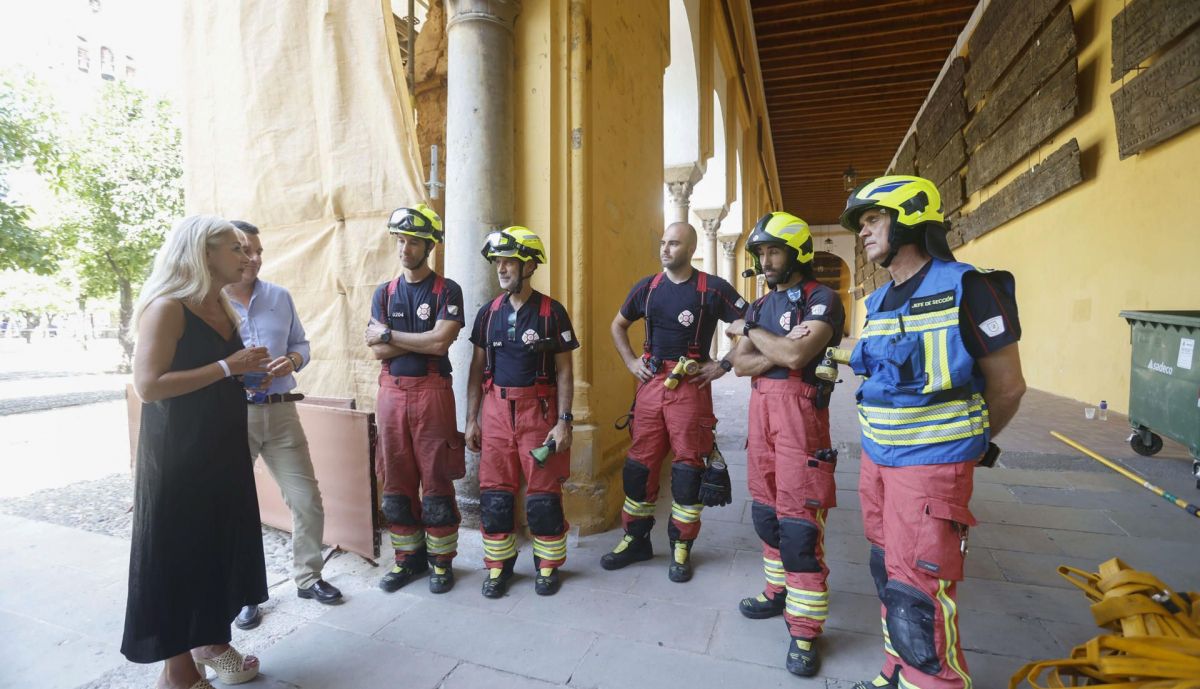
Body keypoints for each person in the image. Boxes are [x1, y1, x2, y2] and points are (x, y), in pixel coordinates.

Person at [839, 176, 1025, 689]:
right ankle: (896, 671)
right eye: (862, 225)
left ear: (908, 220)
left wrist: (971, 447)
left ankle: (935, 682)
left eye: (873, 220)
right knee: (890, 573)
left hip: (931, 465)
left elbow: (1008, 388)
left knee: (919, 589)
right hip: (878, 461)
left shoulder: (969, 287)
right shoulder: (876, 303)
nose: (864, 233)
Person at [123, 216, 270, 689]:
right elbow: (148, 387)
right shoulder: (168, 308)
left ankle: (209, 643)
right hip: (178, 455)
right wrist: (229, 366)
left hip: (222, 448)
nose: (248, 258)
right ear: (202, 254)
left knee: (216, 548)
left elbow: (221, 374)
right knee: (179, 555)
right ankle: (178, 673)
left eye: (247, 249)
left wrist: (249, 373)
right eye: (236, 249)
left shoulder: (224, 306)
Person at [725, 211, 845, 677]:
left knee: (799, 527)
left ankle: (805, 630)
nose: (765, 260)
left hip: (801, 422)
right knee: (767, 514)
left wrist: (753, 334)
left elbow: (797, 354)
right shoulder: (761, 304)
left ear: (797, 252)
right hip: (762, 418)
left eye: (774, 251)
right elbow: (740, 365)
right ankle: (777, 593)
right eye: (761, 253)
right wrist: (773, 347)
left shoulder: (823, 298)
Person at [602, 221, 747, 581]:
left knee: (687, 470)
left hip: (690, 385)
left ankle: (681, 545)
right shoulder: (648, 289)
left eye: (674, 244)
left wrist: (724, 364)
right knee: (639, 465)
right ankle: (636, 539)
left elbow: (749, 321)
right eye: (663, 243)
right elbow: (617, 325)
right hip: (651, 384)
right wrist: (631, 361)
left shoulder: (711, 289)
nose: (665, 249)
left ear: (691, 248)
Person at [224, 220, 342, 631]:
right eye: (244, 250)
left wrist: (291, 362)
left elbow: (301, 346)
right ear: (226, 253)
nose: (254, 258)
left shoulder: (279, 296)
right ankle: (244, 595)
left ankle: (309, 578)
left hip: (281, 411)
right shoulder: (210, 301)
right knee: (235, 509)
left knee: (306, 499)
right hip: (233, 416)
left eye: (258, 250)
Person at [464, 226, 578, 598]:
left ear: (529, 266)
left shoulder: (552, 313)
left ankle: (547, 566)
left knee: (543, 495)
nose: (502, 268)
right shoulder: (488, 313)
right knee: (495, 494)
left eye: (509, 261)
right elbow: (476, 369)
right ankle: (498, 566)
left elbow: (564, 370)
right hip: (496, 410)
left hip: (538, 412)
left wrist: (564, 422)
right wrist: (471, 419)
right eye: (498, 261)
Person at [365, 205, 466, 594]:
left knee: (436, 476)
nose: (405, 248)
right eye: (400, 240)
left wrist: (390, 336)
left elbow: (440, 342)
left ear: (429, 246)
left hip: (432, 392)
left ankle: (441, 562)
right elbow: (376, 353)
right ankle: (408, 559)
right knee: (395, 477)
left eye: (413, 242)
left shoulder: (447, 290)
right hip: (390, 393)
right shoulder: (384, 293)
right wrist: (412, 342)